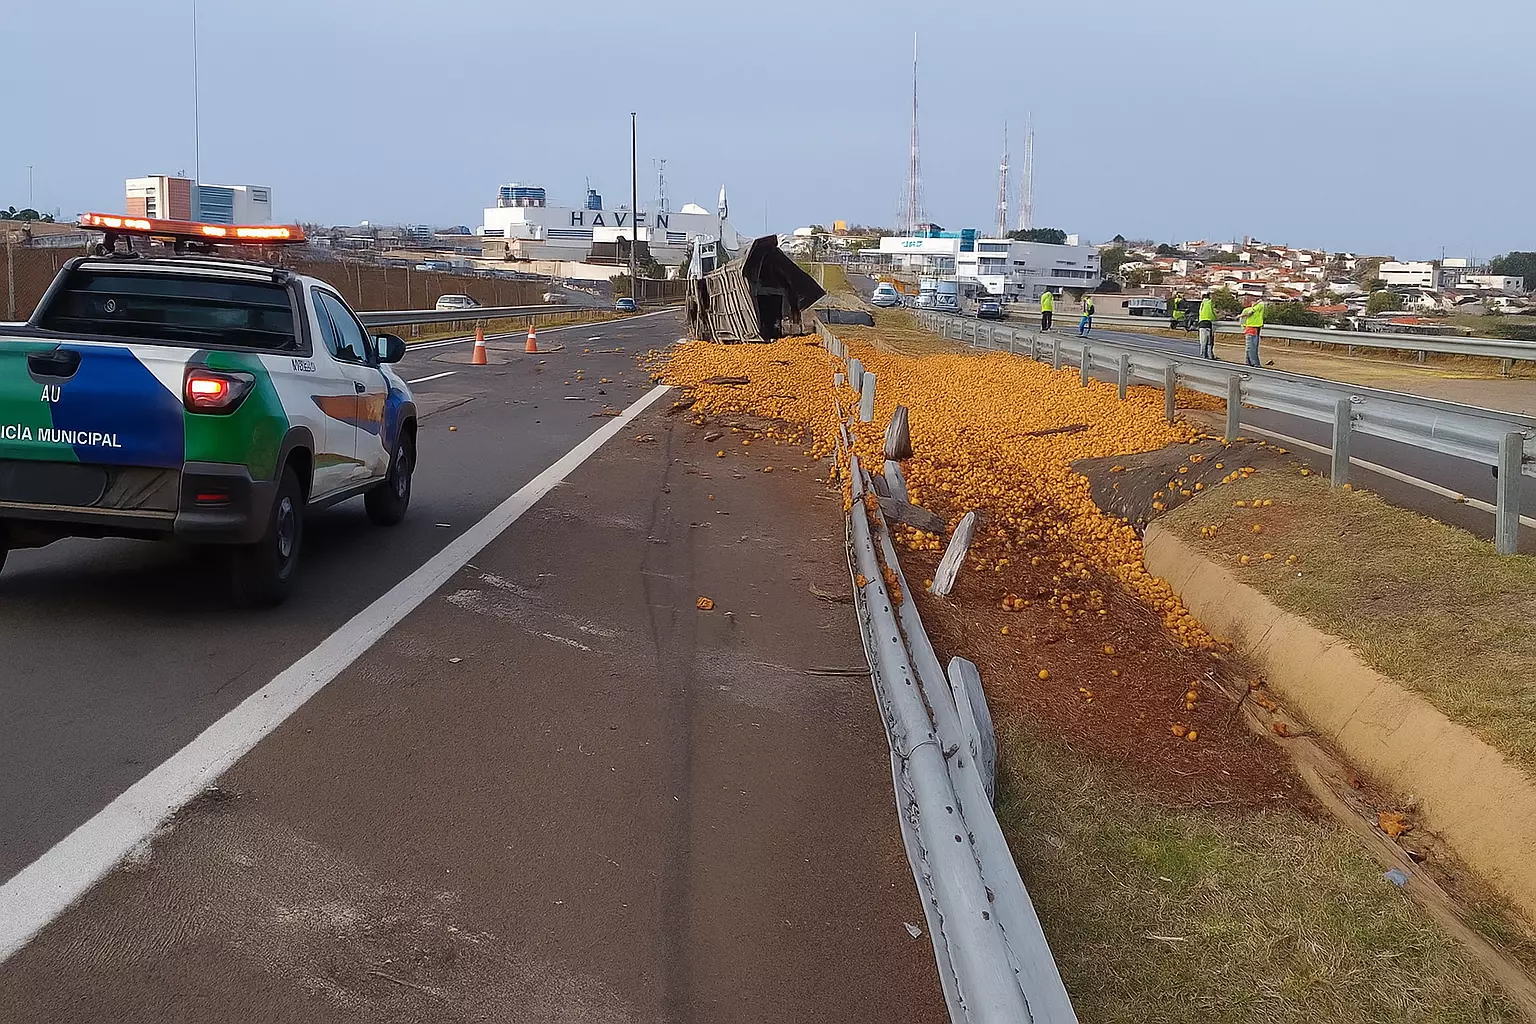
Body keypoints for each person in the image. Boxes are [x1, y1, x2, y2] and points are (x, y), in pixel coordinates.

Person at [1240, 295, 1267, 367]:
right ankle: (1254, 363)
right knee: (1252, 348)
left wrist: (1241, 316)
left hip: (1253, 328)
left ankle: (1249, 362)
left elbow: (1247, 315)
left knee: (1250, 347)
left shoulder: (1257, 307)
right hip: (1252, 329)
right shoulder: (1251, 309)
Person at [1198, 291, 1216, 359]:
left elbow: (1200, 312)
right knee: (1209, 341)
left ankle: (1203, 355)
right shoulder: (1210, 302)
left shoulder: (1202, 304)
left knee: (1203, 341)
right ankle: (1210, 355)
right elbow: (1214, 312)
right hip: (1209, 323)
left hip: (1201, 323)